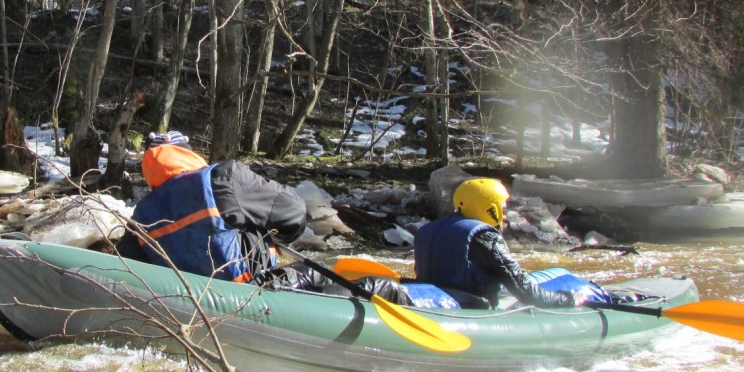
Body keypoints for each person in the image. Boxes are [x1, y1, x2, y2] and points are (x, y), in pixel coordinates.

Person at [117, 132, 407, 302]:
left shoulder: (140, 216)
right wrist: (274, 239)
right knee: (320, 271)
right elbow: (294, 212)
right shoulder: (223, 177)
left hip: (192, 302)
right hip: (247, 292)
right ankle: (395, 295)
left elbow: (132, 271)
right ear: (187, 155)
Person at [413, 177, 588, 309]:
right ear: (490, 209)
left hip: (440, 300)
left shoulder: (427, 231)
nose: (504, 215)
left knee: (554, 272)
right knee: (563, 274)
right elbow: (526, 291)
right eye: (502, 209)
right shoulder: (485, 237)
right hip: (473, 306)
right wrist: (568, 300)